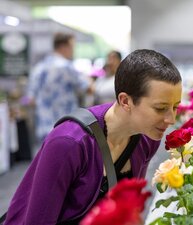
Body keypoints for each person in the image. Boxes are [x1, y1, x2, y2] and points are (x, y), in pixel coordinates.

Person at [4, 49, 182, 224]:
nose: (171, 119)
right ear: (125, 101)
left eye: (175, 107)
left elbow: (124, 210)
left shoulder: (147, 137)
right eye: (160, 108)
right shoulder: (69, 143)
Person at [26, 32, 91, 143]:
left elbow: (30, 100)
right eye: (72, 46)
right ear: (63, 46)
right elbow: (89, 88)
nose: (73, 50)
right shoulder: (66, 66)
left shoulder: (38, 68)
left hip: (44, 128)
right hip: (66, 128)